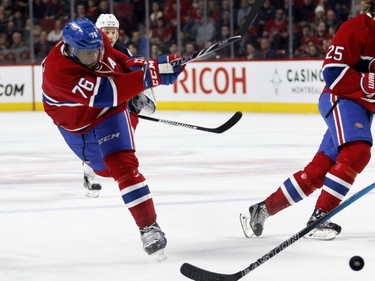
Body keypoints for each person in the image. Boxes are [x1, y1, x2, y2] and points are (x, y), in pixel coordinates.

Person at [41, 17, 184, 260]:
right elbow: (109, 92)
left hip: (110, 113)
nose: (96, 58)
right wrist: (152, 76)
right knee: (104, 170)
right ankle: (91, 166)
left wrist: (144, 65)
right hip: (77, 125)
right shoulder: (58, 72)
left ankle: (148, 227)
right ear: (70, 49)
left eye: (98, 50)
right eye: (88, 55)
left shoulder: (94, 42)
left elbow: (117, 58)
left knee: (123, 166)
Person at [240, 0, 375, 241]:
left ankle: (262, 209)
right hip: (340, 99)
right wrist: (366, 82)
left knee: (319, 170)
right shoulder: (356, 28)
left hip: (363, 110)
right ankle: (319, 218)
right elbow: (331, 72)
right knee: (357, 152)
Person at [81, 13, 157, 198]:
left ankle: (121, 171)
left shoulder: (123, 52)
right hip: (97, 106)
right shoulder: (88, 53)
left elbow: (137, 75)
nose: (111, 36)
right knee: (95, 143)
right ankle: (89, 173)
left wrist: (141, 96)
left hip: (120, 105)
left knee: (122, 139)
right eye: (106, 32)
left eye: (114, 32)